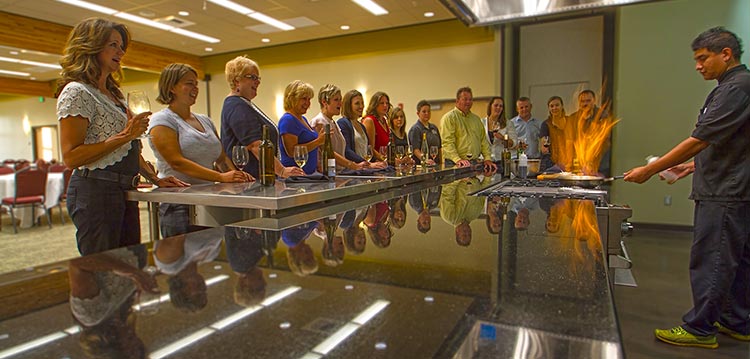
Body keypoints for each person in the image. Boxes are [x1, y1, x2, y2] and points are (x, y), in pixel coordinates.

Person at [624, 27, 750, 349]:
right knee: (736, 261)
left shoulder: (736, 88)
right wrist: (691, 166)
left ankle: (700, 328)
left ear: (726, 54)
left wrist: (652, 170)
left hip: (725, 192)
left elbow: (701, 138)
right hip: (731, 187)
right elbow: (734, 142)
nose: (698, 66)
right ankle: (736, 322)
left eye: (702, 58)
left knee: (713, 259)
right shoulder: (732, 86)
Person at [56, 18, 186, 256]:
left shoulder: (112, 93)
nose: (121, 51)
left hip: (123, 190)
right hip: (95, 191)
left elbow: (128, 148)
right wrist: (126, 134)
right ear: (91, 46)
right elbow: (71, 157)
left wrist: (153, 178)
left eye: (121, 46)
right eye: (113, 45)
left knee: (130, 263)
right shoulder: (76, 92)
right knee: (104, 269)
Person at [149, 63, 253, 238]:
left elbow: (221, 158)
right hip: (178, 203)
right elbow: (176, 162)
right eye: (189, 83)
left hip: (207, 200)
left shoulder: (204, 121)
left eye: (196, 84)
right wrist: (220, 177)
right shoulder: (162, 120)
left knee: (208, 260)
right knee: (183, 262)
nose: (195, 88)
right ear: (171, 87)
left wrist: (236, 176)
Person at [220, 56, 304, 180]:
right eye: (252, 77)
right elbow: (255, 145)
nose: (258, 82)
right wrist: (281, 170)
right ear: (237, 81)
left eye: (258, 78)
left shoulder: (244, 104)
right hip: (250, 182)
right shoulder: (237, 105)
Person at [309, 84, 367, 171]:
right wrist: (352, 165)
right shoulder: (319, 122)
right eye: (336, 100)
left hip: (339, 172)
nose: (340, 103)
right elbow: (328, 152)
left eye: (340, 99)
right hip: (328, 173)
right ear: (324, 102)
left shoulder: (332, 122)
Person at [439, 87, 497, 171]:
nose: (468, 102)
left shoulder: (476, 119)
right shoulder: (449, 118)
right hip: (455, 163)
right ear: (457, 101)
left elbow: (483, 141)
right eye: (465, 99)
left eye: (470, 99)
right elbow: (447, 143)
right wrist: (457, 160)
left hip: (474, 163)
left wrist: (487, 158)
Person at [278, 80, 326, 175]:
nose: (307, 103)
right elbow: (291, 151)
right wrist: (318, 141)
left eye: (309, 99)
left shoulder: (303, 118)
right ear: (292, 99)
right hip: (296, 176)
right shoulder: (288, 120)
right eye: (304, 99)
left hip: (309, 174)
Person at [539, 96, 574, 172]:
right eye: (551, 106)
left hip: (570, 163)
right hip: (552, 164)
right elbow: (544, 147)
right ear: (549, 108)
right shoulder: (546, 124)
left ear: (562, 106)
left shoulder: (570, 121)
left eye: (557, 105)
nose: (554, 108)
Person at [482, 96, 518, 162]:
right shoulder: (481, 123)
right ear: (490, 106)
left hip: (501, 160)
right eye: (496, 105)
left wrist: (503, 138)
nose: (498, 108)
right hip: (485, 160)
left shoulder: (508, 124)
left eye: (501, 106)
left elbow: (514, 143)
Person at [408, 100, 441, 166]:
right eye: (424, 111)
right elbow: (415, 150)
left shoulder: (434, 127)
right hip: (422, 165)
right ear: (418, 113)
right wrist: (425, 160)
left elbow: (439, 148)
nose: (427, 113)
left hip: (435, 164)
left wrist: (441, 162)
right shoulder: (416, 129)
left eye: (429, 111)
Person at [361, 92, 391, 161]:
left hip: (384, 162)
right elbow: (370, 148)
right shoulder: (370, 120)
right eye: (382, 103)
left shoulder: (383, 120)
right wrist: (385, 159)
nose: (385, 105)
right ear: (375, 105)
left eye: (387, 103)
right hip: (375, 162)